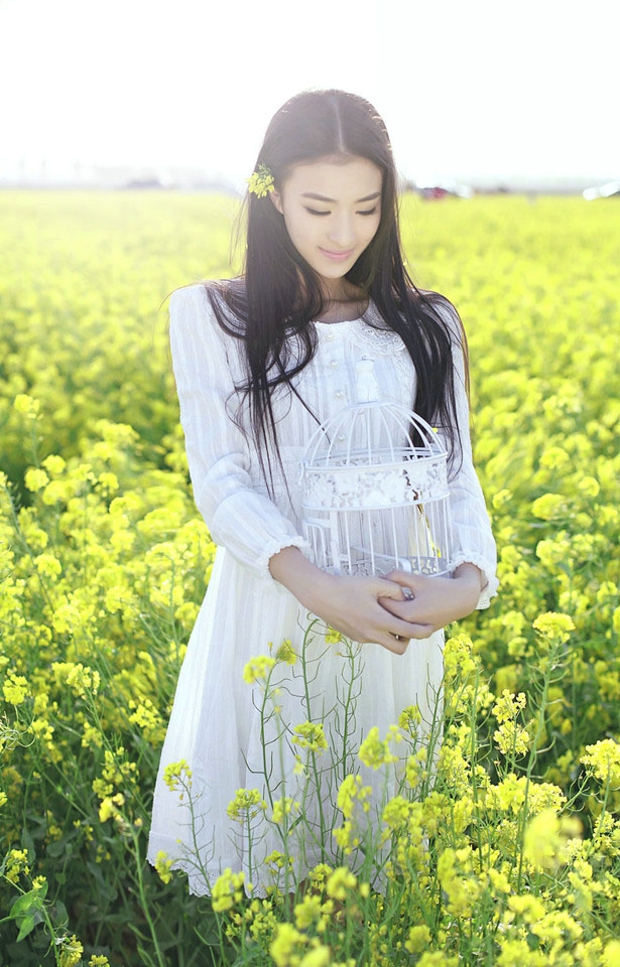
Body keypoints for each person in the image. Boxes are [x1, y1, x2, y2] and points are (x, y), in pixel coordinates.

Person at [147, 89, 498, 897]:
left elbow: (453, 474)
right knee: (272, 876)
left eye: (367, 208)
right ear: (270, 194)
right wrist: (318, 587)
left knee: (374, 883)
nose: (344, 233)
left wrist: (466, 585)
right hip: (273, 619)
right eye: (318, 207)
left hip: (395, 631)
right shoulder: (210, 316)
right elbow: (223, 479)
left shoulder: (427, 322)